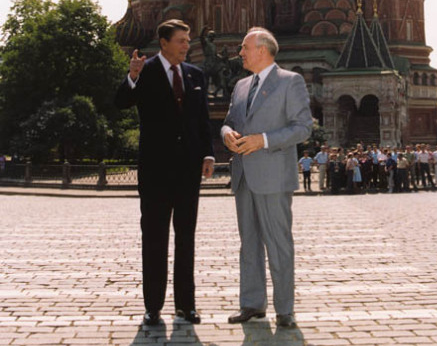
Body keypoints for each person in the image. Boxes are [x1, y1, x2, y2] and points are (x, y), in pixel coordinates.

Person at [115, 19, 214, 326]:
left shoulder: (195, 74)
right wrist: (131, 76)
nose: (187, 45)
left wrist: (207, 153)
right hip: (156, 172)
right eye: (181, 40)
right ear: (164, 43)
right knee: (155, 238)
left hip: (188, 171)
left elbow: (202, 118)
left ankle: (186, 305)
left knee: (186, 238)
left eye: (188, 40)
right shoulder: (145, 71)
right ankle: (153, 307)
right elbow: (121, 102)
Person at [221, 28, 313, 328]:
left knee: (278, 243)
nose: (241, 53)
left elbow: (303, 128)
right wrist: (226, 134)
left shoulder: (291, 81)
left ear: (262, 50)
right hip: (243, 176)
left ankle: (285, 309)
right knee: (249, 242)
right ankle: (252, 303)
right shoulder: (241, 86)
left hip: (273, 175)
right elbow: (229, 122)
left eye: (244, 47)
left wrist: (264, 140)